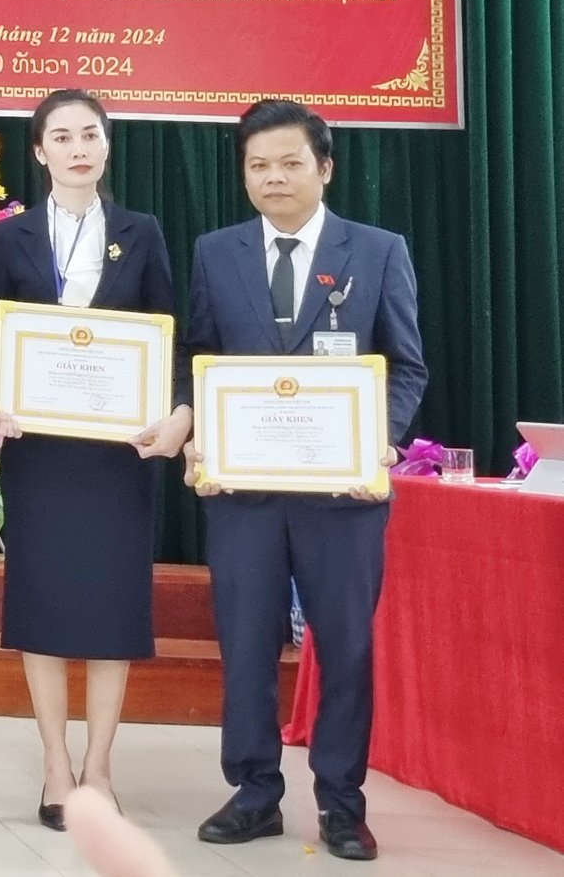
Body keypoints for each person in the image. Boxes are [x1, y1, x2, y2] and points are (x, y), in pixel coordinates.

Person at [184, 100, 426, 863]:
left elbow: (406, 366)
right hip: (242, 495)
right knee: (246, 645)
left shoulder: (378, 251)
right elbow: (199, 357)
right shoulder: (215, 252)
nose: (273, 177)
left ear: (323, 168)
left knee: (347, 646)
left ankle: (342, 804)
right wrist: (196, 436)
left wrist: (377, 445)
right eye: (258, 165)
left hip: (342, 498)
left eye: (290, 162)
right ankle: (255, 792)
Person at [0, 90, 183, 829]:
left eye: (89, 133)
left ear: (107, 144)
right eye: (60, 137)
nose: (77, 148)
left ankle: (99, 766)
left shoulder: (142, 230)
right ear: (39, 152)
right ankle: (56, 766)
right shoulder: (15, 237)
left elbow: (168, 335)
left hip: (118, 455)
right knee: (44, 603)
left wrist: (173, 411)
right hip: (41, 455)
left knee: (109, 607)